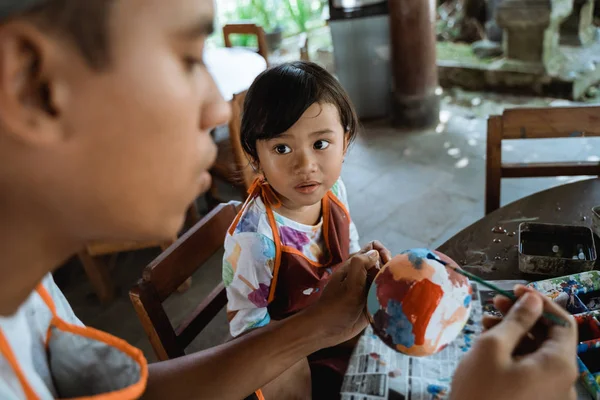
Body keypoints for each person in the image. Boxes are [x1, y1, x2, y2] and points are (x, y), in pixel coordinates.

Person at [0, 1, 578, 399]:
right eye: (184, 58)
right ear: (34, 83)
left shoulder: (29, 301)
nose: (211, 108)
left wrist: (341, 302)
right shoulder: (252, 236)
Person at [222, 61, 391, 398]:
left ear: (344, 141)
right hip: (285, 347)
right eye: (282, 148)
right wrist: (306, 338)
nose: (306, 166)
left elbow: (349, 245)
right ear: (255, 157)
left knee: (394, 332)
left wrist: (363, 262)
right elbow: (247, 331)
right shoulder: (255, 241)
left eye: (320, 144)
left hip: (334, 321)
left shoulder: (335, 191)